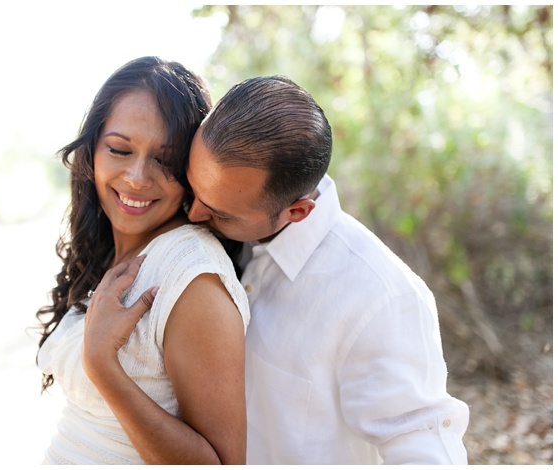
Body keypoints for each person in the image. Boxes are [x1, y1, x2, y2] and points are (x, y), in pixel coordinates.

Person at [102, 75, 470, 464]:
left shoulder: (380, 298)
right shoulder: (213, 240)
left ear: (296, 212)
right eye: (194, 190)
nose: (193, 214)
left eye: (220, 213)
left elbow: (426, 454)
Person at [34, 56, 250, 465]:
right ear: (93, 150)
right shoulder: (114, 249)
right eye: (119, 149)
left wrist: (103, 365)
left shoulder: (192, 275)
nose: (136, 177)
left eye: (165, 160)